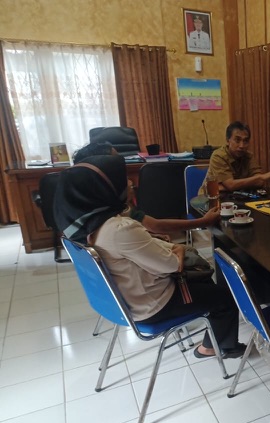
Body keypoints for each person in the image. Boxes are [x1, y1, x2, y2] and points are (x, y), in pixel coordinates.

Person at [53, 154, 245, 359]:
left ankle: (213, 337)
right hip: (152, 305)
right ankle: (214, 348)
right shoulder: (119, 229)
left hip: (121, 303)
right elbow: (172, 264)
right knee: (225, 297)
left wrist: (163, 245)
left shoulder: (84, 228)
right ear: (103, 189)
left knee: (203, 280)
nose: (130, 182)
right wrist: (177, 248)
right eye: (123, 179)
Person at [73, 142, 220, 237]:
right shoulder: (106, 223)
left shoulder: (111, 205)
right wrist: (203, 222)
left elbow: (154, 225)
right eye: (115, 163)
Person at [200, 121, 270, 194]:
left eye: (245, 141)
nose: (242, 146)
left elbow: (259, 182)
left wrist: (229, 186)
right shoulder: (218, 156)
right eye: (237, 140)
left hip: (237, 196)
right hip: (210, 198)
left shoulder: (248, 156)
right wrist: (258, 178)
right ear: (228, 141)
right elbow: (231, 185)